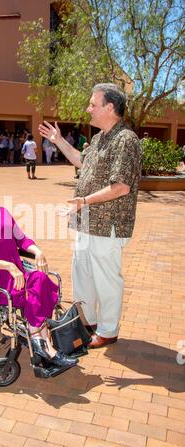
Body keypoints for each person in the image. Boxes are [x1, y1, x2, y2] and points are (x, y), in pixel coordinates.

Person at [39, 83, 142, 348]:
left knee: (107, 279)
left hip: (107, 225)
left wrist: (83, 201)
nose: (88, 109)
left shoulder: (125, 140)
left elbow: (121, 187)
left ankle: (108, 330)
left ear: (110, 107)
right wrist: (58, 141)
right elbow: (82, 162)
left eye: (93, 104)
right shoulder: (98, 139)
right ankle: (89, 322)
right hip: (85, 223)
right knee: (82, 273)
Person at [0, 177, 78, 368]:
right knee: (33, 292)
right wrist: (9, 266)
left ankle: (38, 339)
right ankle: (46, 346)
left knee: (41, 278)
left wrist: (37, 251)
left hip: (19, 273)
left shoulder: (2, 213)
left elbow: (21, 239)